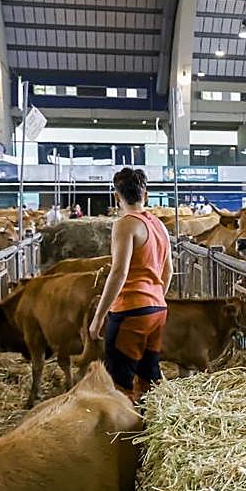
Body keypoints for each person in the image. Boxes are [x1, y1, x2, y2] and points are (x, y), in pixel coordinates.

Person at [87, 168, 172, 402]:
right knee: (148, 378)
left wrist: (98, 317)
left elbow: (119, 272)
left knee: (119, 383)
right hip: (157, 310)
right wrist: (155, 300)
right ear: (146, 194)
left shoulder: (125, 225)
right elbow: (168, 270)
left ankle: (125, 424)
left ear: (117, 196)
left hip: (130, 310)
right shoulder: (160, 226)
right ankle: (149, 422)